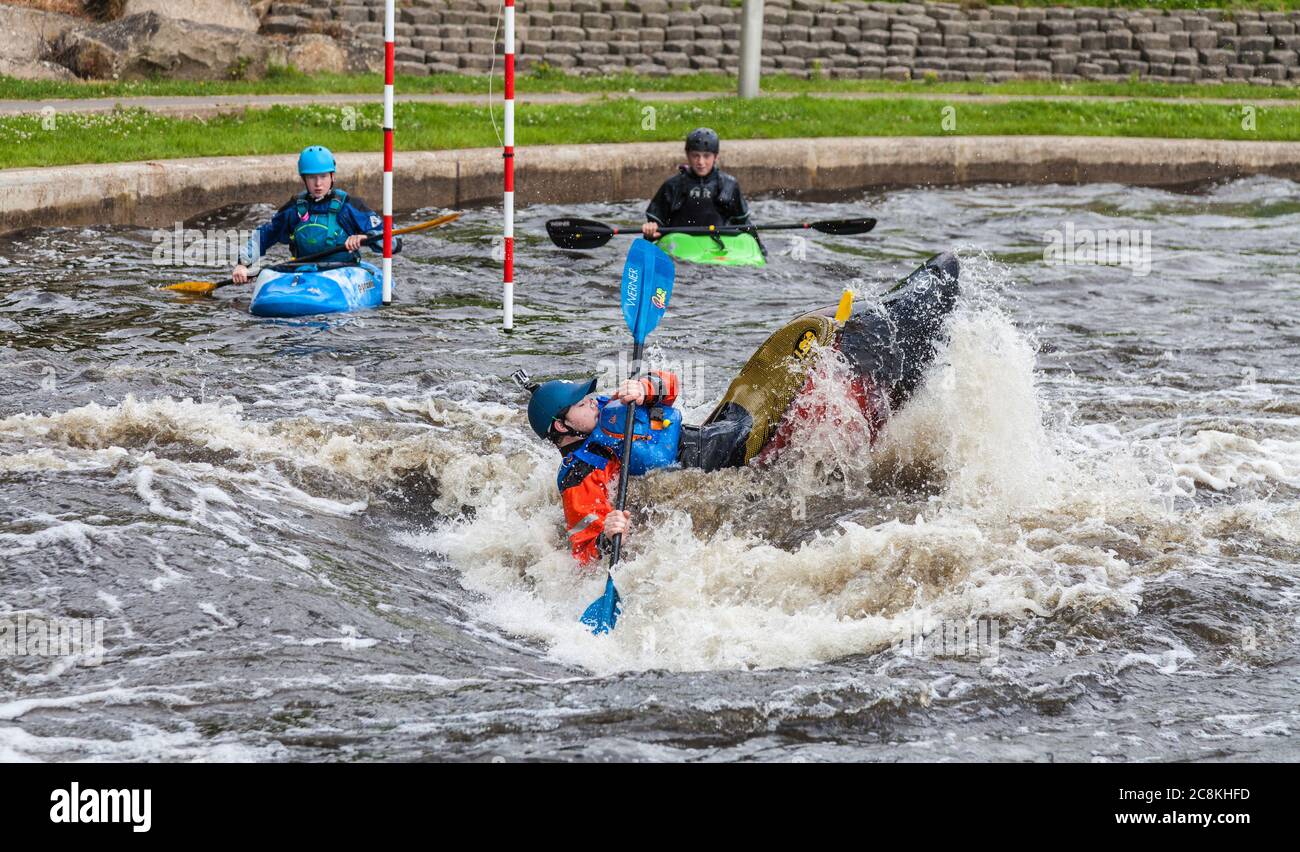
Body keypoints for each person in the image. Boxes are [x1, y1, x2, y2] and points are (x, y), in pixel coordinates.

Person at [520, 252, 962, 565]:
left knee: (730, 420)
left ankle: (839, 337)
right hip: (709, 467)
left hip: (708, 438)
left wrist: (646, 387)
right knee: (736, 436)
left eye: (586, 395)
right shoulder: (580, 475)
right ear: (563, 428)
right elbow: (584, 548)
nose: (590, 401)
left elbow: (671, 390)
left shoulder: (609, 404)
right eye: (579, 403)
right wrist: (608, 535)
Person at [232, 146, 386, 284]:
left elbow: (392, 241)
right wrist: (243, 263)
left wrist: (364, 238)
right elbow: (264, 235)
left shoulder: (350, 207)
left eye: (323, 176)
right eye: (312, 178)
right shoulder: (294, 209)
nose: (318, 184)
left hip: (343, 271)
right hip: (304, 272)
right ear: (304, 179)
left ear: (332, 176)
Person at [641, 128, 754, 241]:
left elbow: (744, 224)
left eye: (706, 156)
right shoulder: (673, 185)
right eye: (695, 155)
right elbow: (656, 226)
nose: (701, 162)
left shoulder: (729, 185)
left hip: (719, 246)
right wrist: (650, 231)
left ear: (715, 156)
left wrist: (762, 251)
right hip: (680, 246)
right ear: (687, 155)